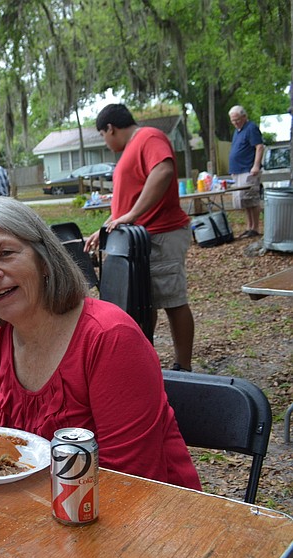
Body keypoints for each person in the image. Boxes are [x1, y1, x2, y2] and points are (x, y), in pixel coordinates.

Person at [0, 196, 201, 490]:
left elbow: (129, 481)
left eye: (5, 253)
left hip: (150, 517)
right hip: (42, 512)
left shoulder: (110, 338)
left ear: (43, 260)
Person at [84, 104, 195, 372]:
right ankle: (146, 362)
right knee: (145, 303)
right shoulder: (130, 150)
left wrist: (132, 214)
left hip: (161, 234)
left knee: (172, 300)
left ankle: (184, 367)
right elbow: (126, 204)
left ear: (110, 128)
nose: (105, 141)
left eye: (102, 135)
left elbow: (163, 170)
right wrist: (104, 228)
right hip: (138, 239)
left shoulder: (148, 137)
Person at [228, 105, 265, 238]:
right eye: (233, 120)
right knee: (244, 200)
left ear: (244, 116)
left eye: (237, 119)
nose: (235, 122)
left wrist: (255, 166)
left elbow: (259, 147)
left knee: (252, 199)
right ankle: (249, 227)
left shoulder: (251, 128)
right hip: (238, 170)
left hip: (248, 169)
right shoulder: (237, 131)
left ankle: (255, 228)